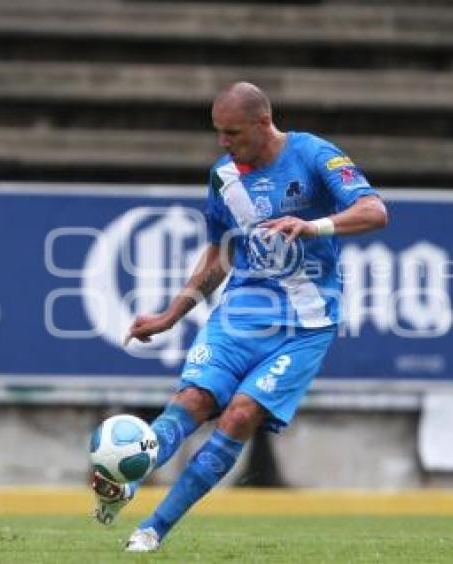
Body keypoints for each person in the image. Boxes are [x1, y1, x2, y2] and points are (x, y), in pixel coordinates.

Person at [90, 81, 388, 552]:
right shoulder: (223, 177)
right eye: (218, 133)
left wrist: (314, 226)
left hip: (305, 324)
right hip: (241, 313)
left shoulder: (314, 155)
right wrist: (172, 313)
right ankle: (129, 474)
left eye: (232, 133)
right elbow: (219, 252)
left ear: (263, 124)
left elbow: (374, 211)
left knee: (240, 415)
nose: (223, 143)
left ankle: (153, 528)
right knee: (191, 401)